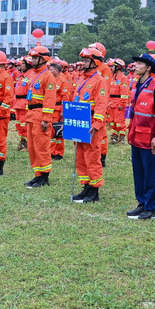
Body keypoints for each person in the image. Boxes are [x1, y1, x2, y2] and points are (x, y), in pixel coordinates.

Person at [126, 53, 155, 220]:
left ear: (148, 67)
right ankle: (141, 203)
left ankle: (150, 207)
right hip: (135, 134)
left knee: (150, 173)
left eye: (140, 63)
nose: (136, 66)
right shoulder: (136, 84)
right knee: (138, 171)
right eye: (136, 63)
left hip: (149, 137)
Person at [70, 44, 109, 202]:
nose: (83, 63)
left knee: (92, 158)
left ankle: (94, 191)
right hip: (79, 124)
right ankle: (86, 187)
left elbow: (101, 104)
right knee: (80, 157)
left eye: (86, 61)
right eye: (83, 60)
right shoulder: (81, 79)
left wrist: (96, 124)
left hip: (91, 126)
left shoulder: (99, 81)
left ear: (95, 62)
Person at [23, 46, 59, 187]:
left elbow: (49, 100)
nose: (32, 60)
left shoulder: (48, 76)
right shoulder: (34, 74)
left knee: (41, 147)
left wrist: (46, 119)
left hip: (40, 116)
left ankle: (44, 177)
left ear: (43, 59)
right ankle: (37, 174)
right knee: (32, 147)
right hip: (31, 115)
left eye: (35, 57)